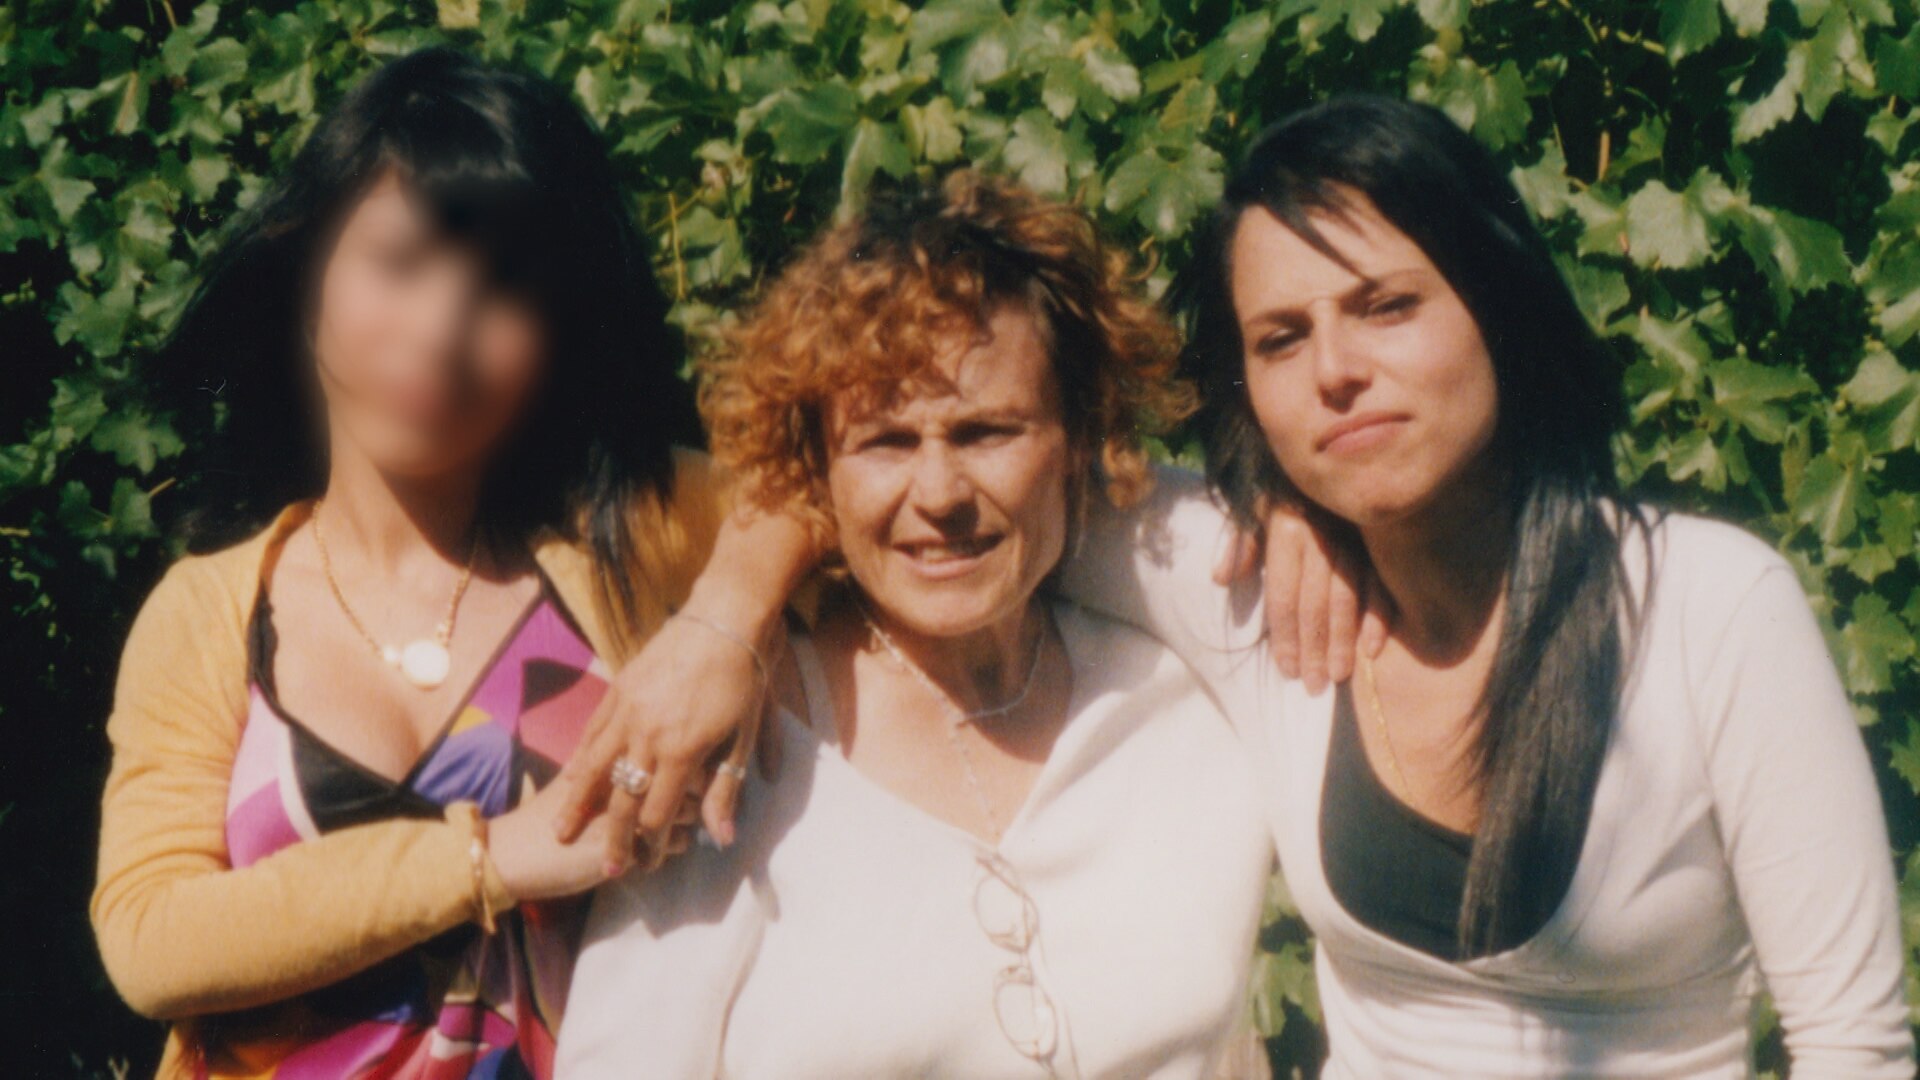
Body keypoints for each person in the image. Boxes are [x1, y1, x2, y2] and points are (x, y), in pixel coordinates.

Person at [572, 99, 1915, 1077]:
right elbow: (891, 496)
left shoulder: (1707, 610)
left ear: (1497, 303)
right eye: (1283, 337)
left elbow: (1857, 1044)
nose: (1337, 370)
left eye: (1387, 305)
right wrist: (719, 620)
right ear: (1252, 390)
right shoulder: (1235, 592)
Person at [90, 48, 784, 1079]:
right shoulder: (210, 611)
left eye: (503, 291)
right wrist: (490, 856)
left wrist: (723, 624)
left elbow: (818, 491)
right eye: (402, 263)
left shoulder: (625, 531)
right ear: (312, 263)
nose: (440, 332)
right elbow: (151, 939)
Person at [556, 171, 1275, 1079]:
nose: (937, 495)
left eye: (986, 433)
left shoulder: (1182, 709)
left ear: (1081, 436)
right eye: (887, 443)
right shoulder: (738, 751)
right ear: (819, 467)